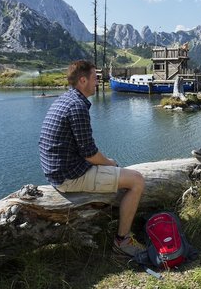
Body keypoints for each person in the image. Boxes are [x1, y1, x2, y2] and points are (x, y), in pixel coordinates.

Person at [39, 60, 145, 256]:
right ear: (82, 80)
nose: (98, 82)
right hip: (68, 177)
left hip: (56, 171)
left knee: (116, 169)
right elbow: (90, 154)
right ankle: (122, 240)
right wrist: (111, 164)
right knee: (137, 180)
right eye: (95, 78)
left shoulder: (65, 100)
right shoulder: (77, 107)